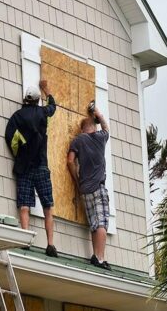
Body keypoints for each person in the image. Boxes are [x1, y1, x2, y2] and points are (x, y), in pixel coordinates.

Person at [4, 80, 58, 257]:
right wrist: (47, 89)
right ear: (36, 100)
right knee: (47, 206)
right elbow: (53, 106)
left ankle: (26, 239)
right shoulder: (44, 113)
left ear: (25, 99)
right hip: (41, 165)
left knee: (24, 204)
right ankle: (50, 245)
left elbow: (10, 138)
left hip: (25, 167)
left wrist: (20, 153)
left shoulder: (16, 117)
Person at [67, 105, 111, 270]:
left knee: (94, 222)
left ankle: (95, 255)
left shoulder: (78, 140)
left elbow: (70, 161)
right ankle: (99, 258)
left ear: (82, 128)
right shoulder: (100, 137)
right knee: (102, 223)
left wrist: (77, 181)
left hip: (85, 189)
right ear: (94, 126)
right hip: (98, 188)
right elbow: (106, 127)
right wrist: (98, 114)